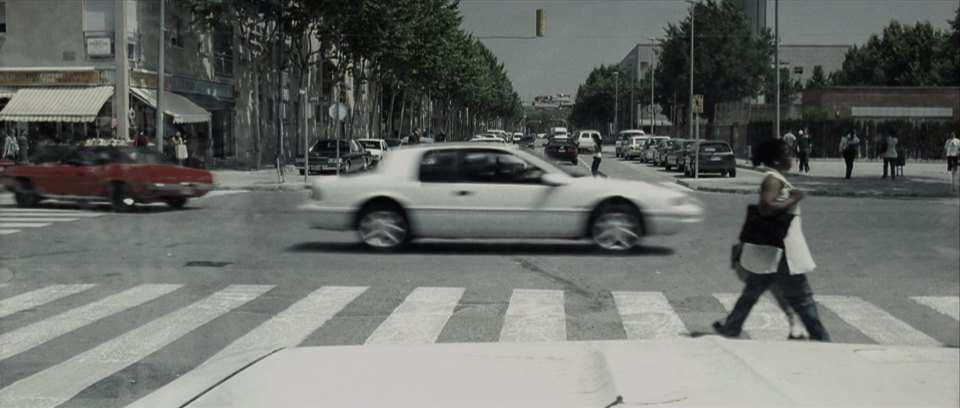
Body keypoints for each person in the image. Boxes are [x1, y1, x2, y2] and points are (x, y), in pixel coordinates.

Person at [714, 138, 830, 341]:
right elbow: (766, 207)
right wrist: (794, 198)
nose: (791, 157)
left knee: (752, 292)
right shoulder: (772, 180)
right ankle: (821, 338)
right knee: (803, 298)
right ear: (776, 160)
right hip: (781, 252)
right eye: (787, 154)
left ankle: (731, 328)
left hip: (772, 252)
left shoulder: (776, 178)